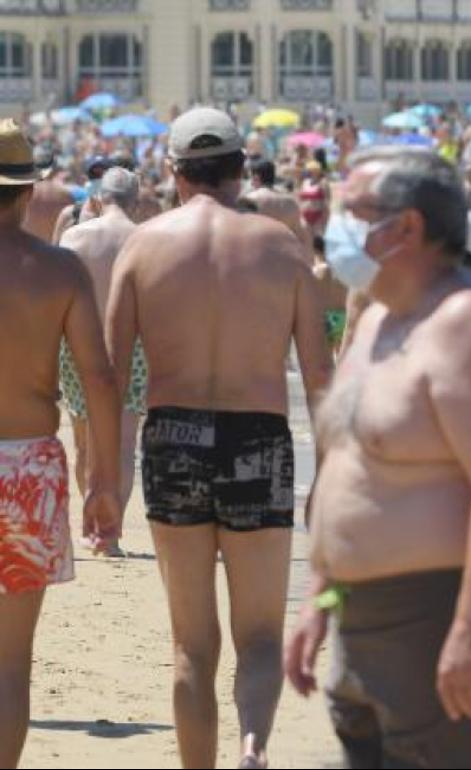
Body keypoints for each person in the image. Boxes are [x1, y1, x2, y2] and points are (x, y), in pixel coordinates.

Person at [283, 147, 471, 770]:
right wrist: (319, 596)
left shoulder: (467, 325)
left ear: (408, 227)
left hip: (442, 613)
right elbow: (355, 467)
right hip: (361, 619)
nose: (337, 226)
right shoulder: (378, 322)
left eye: (356, 213)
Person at [106, 107, 333, 769]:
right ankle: (254, 746)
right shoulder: (283, 248)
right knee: (260, 636)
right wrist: (331, 471)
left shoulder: (143, 247)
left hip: (172, 437)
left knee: (191, 646)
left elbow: (113, 377)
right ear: (240, 170)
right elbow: (320, 373)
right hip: (258, 437)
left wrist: (100, 477)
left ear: (174, 174)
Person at [0, 120, 122, 768]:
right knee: (10, 663)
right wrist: (104, 481)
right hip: (25, 467)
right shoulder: (59, 271)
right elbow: (99, 378)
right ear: (26, 195)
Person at [57, 167, 146, 555]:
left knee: (84, 443)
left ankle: (92, 526)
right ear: (137, 201)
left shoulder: (74, 236)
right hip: (134, 346)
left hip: (79, 341)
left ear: (95, 198)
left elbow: (55, 298)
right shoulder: (147, 239)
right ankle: (112, 532)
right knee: (124, 446)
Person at [245, 158, 314, 263]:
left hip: (258, 260)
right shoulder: (290, 202)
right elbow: (301, 236)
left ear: (256, 177)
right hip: (285, 261)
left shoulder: (249, 200)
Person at [50, 155, 111, 244]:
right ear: (84, 179)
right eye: (94, 175)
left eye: (105, 175)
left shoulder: (122, 218)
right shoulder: (69, 215)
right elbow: (54, 254)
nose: (100, 179)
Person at [21, 146, 73, 242]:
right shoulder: (65, 195)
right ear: (54, 168)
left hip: (25, 250)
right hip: (52, 253)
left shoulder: (22, 193)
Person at [298, 159, 330, 237]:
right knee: (306, 239)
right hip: (305, 215)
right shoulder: (305, 182)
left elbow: (327, 201)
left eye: (310, 171)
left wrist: (325, 218)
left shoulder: (323, 183)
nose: (307, 173)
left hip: (318, 216)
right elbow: (300, 199)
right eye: (307, 171)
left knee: (317, 240)